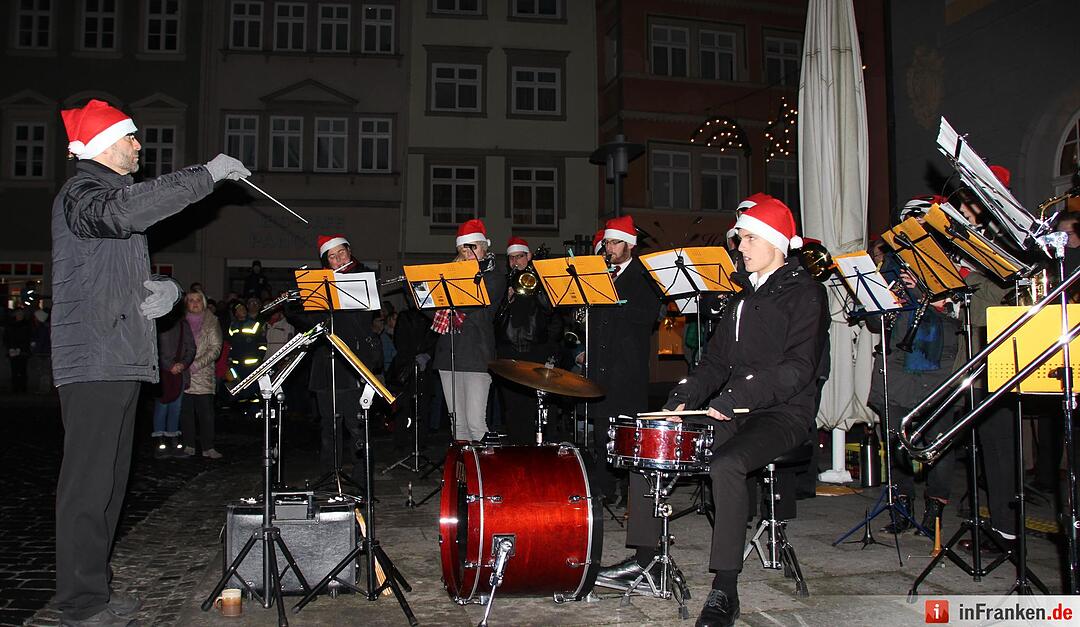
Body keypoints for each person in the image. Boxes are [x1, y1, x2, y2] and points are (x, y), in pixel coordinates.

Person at [51, 98, 248, 626]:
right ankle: (79, 602)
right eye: (131, 137)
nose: (139, 145)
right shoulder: (84, 192)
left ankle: (95, 588)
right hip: (92, 358)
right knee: (88, 486)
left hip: (116, 355)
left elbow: (115, 271)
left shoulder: (107, 195)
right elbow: (120, 214)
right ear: (102, 146)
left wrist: (165, 288)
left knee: (112, 484)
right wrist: (203, 176)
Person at [597, 198, 828, 627]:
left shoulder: (806, 292)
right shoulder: (741, 299)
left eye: (749, 237)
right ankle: (646, 559)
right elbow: (715, 363)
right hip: (733, 409)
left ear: (777, 243)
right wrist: (683, 397)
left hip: (783, 413)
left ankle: (726, 587)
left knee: (727, 464)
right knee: (651, 442)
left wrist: (733, 398)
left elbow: (798, 368)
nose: (740, 245)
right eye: (741, 237)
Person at [866, 196, 961, 534]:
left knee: (937, 436)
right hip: (896, 355)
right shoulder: (891, 261)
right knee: (893, 431)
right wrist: (882, 305)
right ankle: (901, 502)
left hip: (933, 357)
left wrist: (926, 293)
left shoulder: (949, 258)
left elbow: (956, 312)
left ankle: (935, 506)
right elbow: (873, 318)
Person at [289, 234, 382, 485]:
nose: (338, 258)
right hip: (326, 363)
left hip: (353, 361)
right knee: (329, 428)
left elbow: (363, 318)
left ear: (350, 252)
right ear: (326, 262)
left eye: (342, 253)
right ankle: (330, 476)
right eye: (332, 256)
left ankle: (361, 479)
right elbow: (311, 323)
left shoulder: (364, 276)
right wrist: (297, 303)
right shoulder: (319, 285)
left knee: (356, 426)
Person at [581, 215, 662, 502]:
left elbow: (650, 316)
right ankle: (604, 488)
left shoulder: (644, 275)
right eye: (606, 243)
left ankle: (634, 494)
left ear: (629, 245)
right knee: (602, 431)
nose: (608, 248)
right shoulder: (599, 273)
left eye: (614, 243)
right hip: (601, 364)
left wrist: (615, 300)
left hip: (627, 366)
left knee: (628, 432)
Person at [432, 219, 506, 442]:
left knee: (475, 422)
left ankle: (484, 473)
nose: (469, 251)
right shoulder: (448, 274)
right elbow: (431, 308)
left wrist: (447, 296)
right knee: (458, 425)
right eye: (465, 247)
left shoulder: (494, 276)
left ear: (485, 247)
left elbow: (472, 304)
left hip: (477, 355)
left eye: (474, 245)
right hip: (449, 354)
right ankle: (464, 474)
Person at [494, 236, 563, 444]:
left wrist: (537, 288)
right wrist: (505, 300)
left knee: (541, 405)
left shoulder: (540, 280)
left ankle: (543, 449)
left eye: (520, 257)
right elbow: (493, 320)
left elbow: (553, 313)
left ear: (529, 256)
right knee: (513, 406)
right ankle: (518, 448)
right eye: (512, 258)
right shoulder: (502, 282)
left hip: (536, 351)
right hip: (509, 352)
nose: (516, 262)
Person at [180, 290, 225, 458]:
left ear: (203, 302)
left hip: (203, 373)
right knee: (186, 413)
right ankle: (189, 444)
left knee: (206, 413)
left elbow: (216, 348)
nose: (195, 303)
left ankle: (208, 447)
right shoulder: (181, 321)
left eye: (198, 300)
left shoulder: (212, 322)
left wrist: (196, 364)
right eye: (191, 300)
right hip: (183, 374)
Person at [152, 305, 195, 457]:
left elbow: (191, 348)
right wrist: (169, 365)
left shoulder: (183, 325)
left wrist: (182, 364)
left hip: (179, 372)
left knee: (175, 407)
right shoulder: (158, 324)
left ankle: (173, 438)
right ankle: (159, 440)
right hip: (163, 372)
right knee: (162, 406)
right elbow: (154, 348)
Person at [226, 300, 266, 410]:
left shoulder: (255, 324)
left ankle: (254, 412)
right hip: (236, 364)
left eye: (243, 308)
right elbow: (230, 344)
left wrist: (260, 357)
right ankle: (241, 412)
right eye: (239, 309)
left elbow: (262, 343)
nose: (242, 310)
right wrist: (229, 358)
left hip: (252, 364)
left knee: (253, 389)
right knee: (238, 388)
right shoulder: (232, 326)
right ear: (235, 313)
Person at [4, 307, 33, 393]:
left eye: (21, 314)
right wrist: (11, 348)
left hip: (23, 351)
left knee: (22, 370)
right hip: (13, 350)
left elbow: (28, 338)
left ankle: (23, 387)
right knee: (15, 370)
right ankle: (15, 387)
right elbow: (6, 338)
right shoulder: (11, 325)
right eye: (19, 314)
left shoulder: (26, 325)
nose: (20, 316)